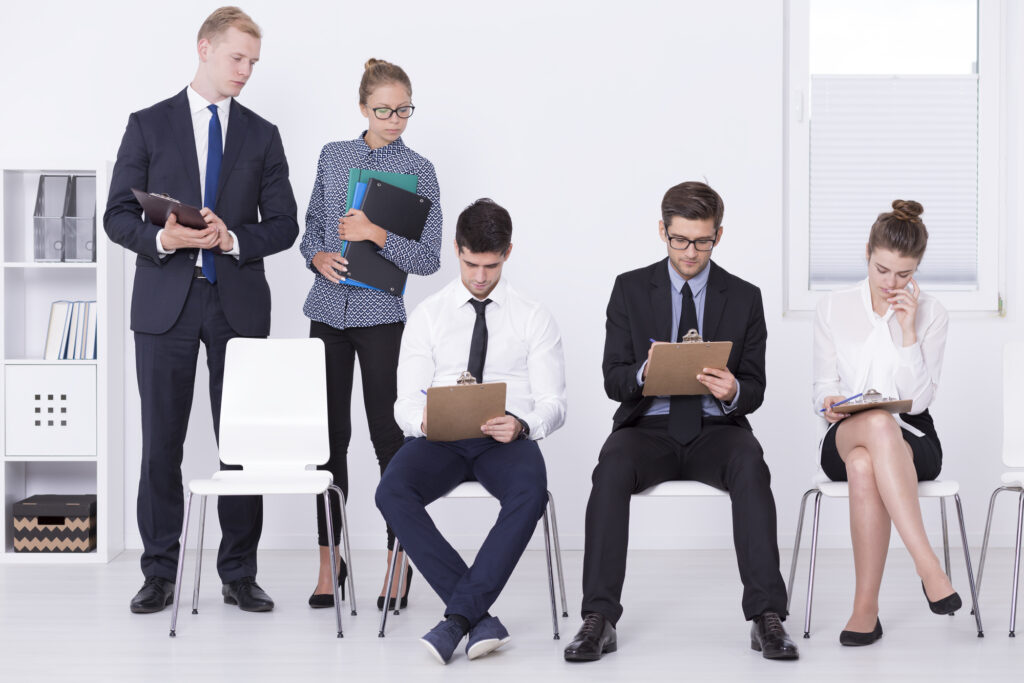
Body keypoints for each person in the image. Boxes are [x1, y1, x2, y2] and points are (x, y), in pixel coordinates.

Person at [103, 6, 298, 615]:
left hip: (237, 303)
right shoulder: (148, 124)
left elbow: (286, 225)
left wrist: (231, 237)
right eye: (237, 58)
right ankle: (159, 571)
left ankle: (239, 572)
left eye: (254, 63)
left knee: (240, 444)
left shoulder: (262, 134)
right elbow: (115, 216)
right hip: (165, 304)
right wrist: (166, 239)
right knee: (161, 442)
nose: (246, 71)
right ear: (204, 48)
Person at [564, 181, 798, 662]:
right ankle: (599, 617)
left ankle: (767, 617)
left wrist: (733, 390)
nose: (691, 252)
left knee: (751, 462)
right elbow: (613, 379)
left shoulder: (745, 297)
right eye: (680, 240)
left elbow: (755, 387)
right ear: (662, 231)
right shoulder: (629, 288)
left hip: (717, 432)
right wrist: (645, 373)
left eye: (703, 241)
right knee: (610, 466)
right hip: (648, 429)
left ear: (719, 235)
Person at [375, 199, 567, 664]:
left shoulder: (532, 315)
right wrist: (425, 420)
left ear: (508, 253)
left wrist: (523, 424)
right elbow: (405, 400)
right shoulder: (429, 313)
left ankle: (457, 619)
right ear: (457, 250)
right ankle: (477, 618)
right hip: (440, 438)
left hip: (504, 438)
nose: (480, 276)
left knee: (531, 491)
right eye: (470, 263)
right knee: (391, 491)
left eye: (491, 265)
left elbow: (554, 404)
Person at [299, 58, 442, 610]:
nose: (395, 119)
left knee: (390, 438)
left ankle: (396, 565)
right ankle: (327, 565)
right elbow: (312, 224)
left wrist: (376, 233)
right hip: (327, 311)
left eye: (404, 109)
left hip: (382, 315)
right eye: (384, 110)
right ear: (363, 108)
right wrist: (318, 254)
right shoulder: (334, 156)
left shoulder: (421, 170)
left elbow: (427, 258)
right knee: (327, 442)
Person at [813, 200, 958, 646]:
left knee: (864, 463)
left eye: (904, 274)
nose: (892, 283)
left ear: (917, 268)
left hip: (913, 437)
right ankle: (928, 565)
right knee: (873, 424)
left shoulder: (931, 312)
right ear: (868, 254)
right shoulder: (834, 307)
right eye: (882, 270)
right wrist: (829, 403)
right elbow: (822, 385)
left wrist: (909, 331)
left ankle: (865, 610)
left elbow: (918, 403)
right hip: (846, 431)